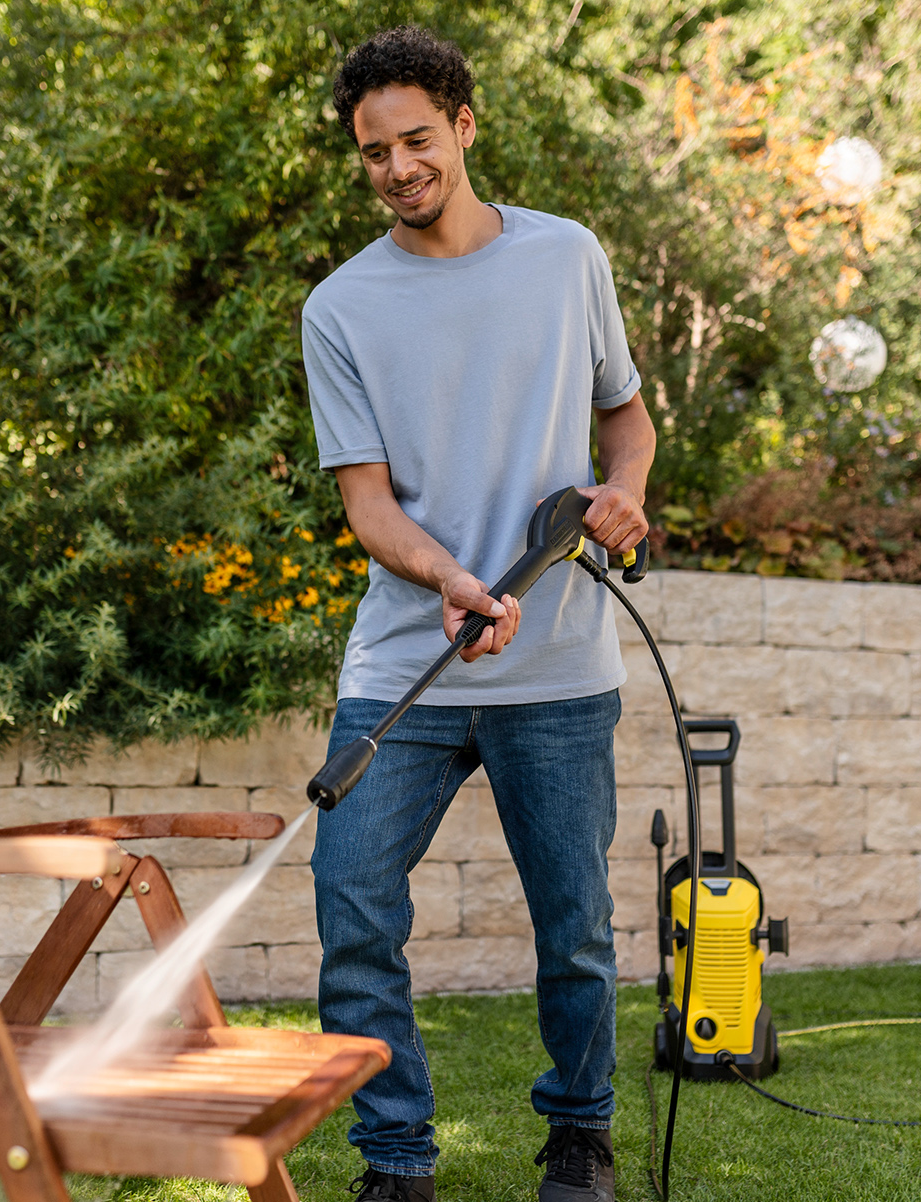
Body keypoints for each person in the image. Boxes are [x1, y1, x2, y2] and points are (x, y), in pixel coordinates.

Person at [300, 24, 657, 1202]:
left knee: (575, 931)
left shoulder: (565, 258)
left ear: (463, 125)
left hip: (555, 664)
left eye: (415, 138)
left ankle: (579, 1132)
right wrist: (449, 577)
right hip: (405, 657)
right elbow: (369, 508)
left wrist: (622, 496)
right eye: (372, 151)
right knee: (351, 902)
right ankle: (396, 1159)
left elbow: (626, 419)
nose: (396, 166)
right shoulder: (341, 308)